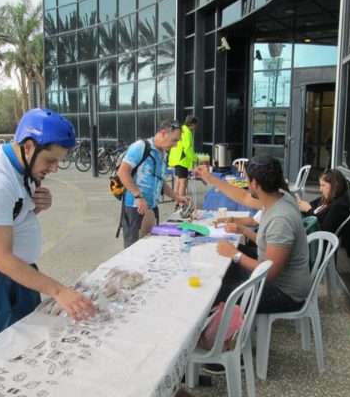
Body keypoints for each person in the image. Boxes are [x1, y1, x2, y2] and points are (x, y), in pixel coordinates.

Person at [0, 108, 96, 337]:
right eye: (50, 160)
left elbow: (12, 216)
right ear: (28, 146)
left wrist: (38, 206)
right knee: (12, 342)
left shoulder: (20, 163)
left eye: (59, 162)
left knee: (34, 333)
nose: (54, 169)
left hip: (21, 269)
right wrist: (58, 290)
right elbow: (2, 259)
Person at [195, 155, 310, 314]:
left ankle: (210, 332)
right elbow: (243, 197)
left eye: (246, 180)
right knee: (220, 269)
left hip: (283, 292)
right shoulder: (277, 196)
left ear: (255, 183)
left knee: (209, 294)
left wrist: (235, 254)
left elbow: (268, 273)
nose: (246, 184)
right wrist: (211, 179)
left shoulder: (281, 219)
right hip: (269, 274)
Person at [117, 119, 190, 248]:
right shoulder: (141, 147)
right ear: (163, 133)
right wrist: (138, 196)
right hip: (135, 207)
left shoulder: (163, 154)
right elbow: (122, 172)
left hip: (152, 207)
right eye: (174, 140)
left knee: (149, 248)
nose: (176, 145)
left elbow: (160, 181)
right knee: (133, 251)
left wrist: (177, 197)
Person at [297, 168, 350, 233]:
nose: (320, 189)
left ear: (335, 185)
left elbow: (323, 229)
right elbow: (313, 207)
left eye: (323, 185)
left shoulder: (339, 205)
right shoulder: (328, 198)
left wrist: (309, 210)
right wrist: (302, 208)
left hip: (315, 238)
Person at [168, 115, 199, 208]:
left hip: (175, 159)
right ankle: (182, 204)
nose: (196, 127)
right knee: (183, 183)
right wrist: (195, 158)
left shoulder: (181, 129)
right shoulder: (187, 132)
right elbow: (187, 148)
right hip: (182, 161)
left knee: (177, 182)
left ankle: (176, 203)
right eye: (196, 125)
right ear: (192, 124)